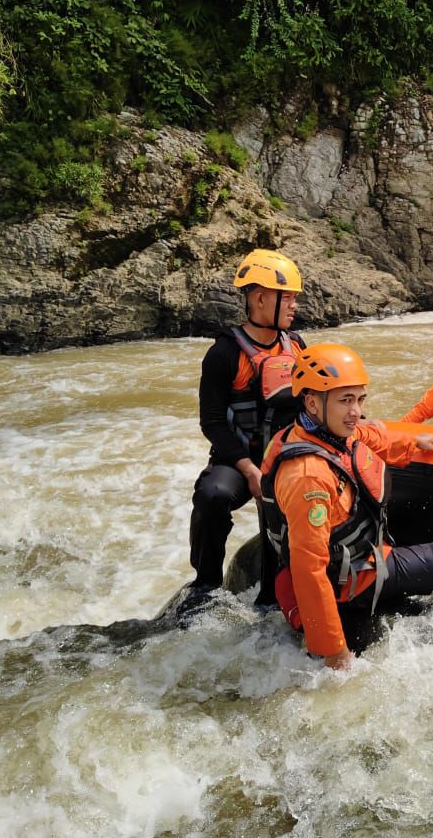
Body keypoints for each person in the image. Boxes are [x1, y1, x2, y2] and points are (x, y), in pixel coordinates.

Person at [260, 344, 433, 668]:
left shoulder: (317, 433)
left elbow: (366, 438)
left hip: (357, 565)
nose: (355, 411)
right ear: (312, 402)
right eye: (345, 400)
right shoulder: (307, 477)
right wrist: (334, 651)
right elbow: (309, 569)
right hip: (355, 581)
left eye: (360, 399)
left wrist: (412, 443)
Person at [188, 248, 305, 602]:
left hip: (283, 460)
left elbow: (313, 407)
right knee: (213, 494)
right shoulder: (224, 354)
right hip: (238, 462)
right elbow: (212, 423)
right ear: (260, 298)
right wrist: (249, 469)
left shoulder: (297, 347)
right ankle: (205, 584)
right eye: (289, 299)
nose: (294, 306)